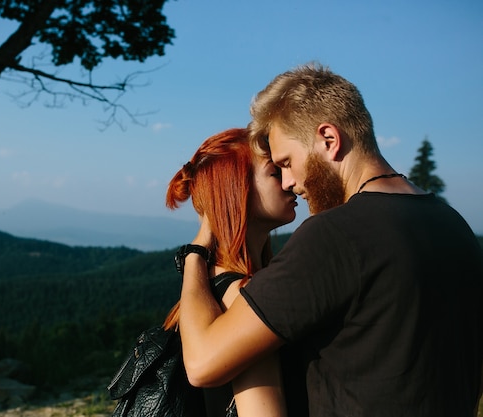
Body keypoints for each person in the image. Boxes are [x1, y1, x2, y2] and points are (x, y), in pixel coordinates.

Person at [177, 63, 483, 416]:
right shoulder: (452, 224)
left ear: (328, 139)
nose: (289, 182)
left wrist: (195, 253)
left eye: (287, 162)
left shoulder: (335, 234)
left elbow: (202, 364)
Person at [163, 127, 297, 416]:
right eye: (276, 172)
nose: (291, 180)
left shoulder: (208, 288)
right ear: (237, 189)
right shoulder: (244, 296)